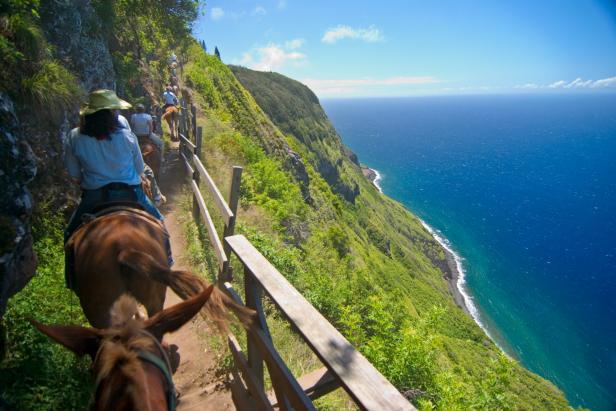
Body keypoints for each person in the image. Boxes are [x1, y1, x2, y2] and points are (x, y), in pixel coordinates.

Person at [63, 89, 171, 263]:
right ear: (111, 114)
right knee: (160, 223)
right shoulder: (127, 136)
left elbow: (74, 174)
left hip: (94, 195)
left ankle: (71, 279)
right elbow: (138, 168)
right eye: (115, 110)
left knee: (70, 233)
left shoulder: (75, 137)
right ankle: (169, 261)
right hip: (131, 192)